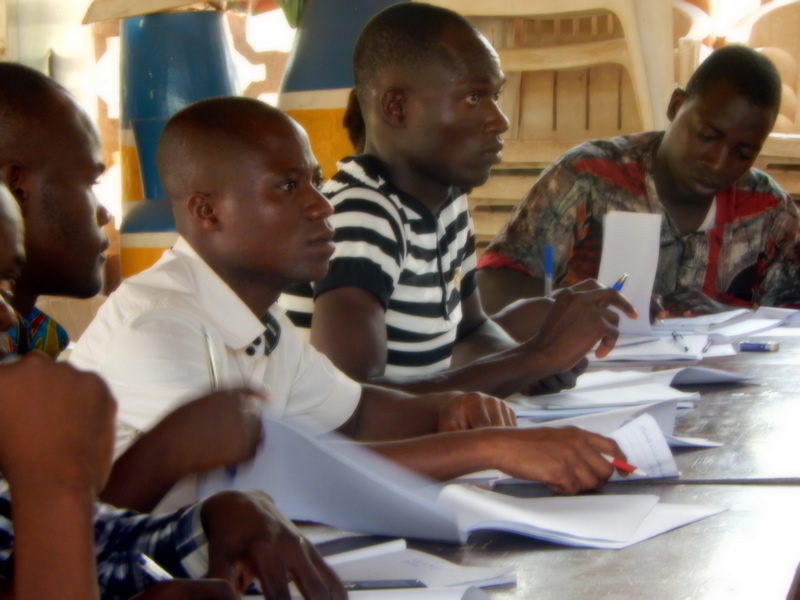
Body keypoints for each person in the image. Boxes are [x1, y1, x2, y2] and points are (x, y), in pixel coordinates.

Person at [71, 95, 629, 497]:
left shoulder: (257, 322)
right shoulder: (157, 327)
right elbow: (276, 477)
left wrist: (450, 413)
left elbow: (357, 416)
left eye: (315, 181)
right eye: (288, 187)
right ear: (207, 211)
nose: (321, 205)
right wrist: (487, 448)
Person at [0, 181, 344, 600]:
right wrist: (55, 484)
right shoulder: (156, 321)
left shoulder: (267, 322)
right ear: (207, 212)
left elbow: (104, 548)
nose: (6, 316)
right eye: (89, 182)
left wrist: (212, 521)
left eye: (4, 285)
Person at [279, 2, 637, 399]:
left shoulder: (446, 202)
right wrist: (533, 358)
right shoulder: (362, 215)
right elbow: (355, 404)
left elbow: (469, 332)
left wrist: (525, 368)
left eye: (496, 95)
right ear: (397, 108)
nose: (499, 120)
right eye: (473, 98)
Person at [0, 62, 271, 516]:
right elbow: (35, 557)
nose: (104, 213)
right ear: (17, 187)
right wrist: (168, 449)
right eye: (90, 183)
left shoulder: (38, 342)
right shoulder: (150, 320)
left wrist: (206, 527)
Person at [477, 44, 800, 318]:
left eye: (743, 153)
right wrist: (579, 306)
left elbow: (789, 322)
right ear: (676, 106)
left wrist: (725, 315)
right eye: (706, 136)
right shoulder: (588, 177)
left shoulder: (770, 211)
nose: (718, 162)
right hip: (587, 379)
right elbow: (493, 286)